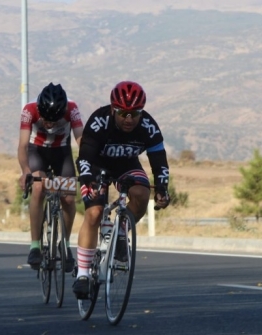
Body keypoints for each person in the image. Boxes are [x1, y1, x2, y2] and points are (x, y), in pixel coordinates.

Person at [72, 81, 170, 299]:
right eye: (123, 113)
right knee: (95, 212)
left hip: (127, 164)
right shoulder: (99, 121)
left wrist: (162, 188)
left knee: (142, 194)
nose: (129, 119)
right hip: (97, 166)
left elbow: (159, 161)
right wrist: (88, 181)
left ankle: (121, 232)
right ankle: (83, 274)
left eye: (135, 113)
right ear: (113, 109)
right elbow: (85, 157)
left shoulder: (148, 127)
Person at [18, 82, 83, 271]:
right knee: (38, 187)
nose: (49, 124)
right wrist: (25, 172)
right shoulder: (29, 110)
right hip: (36, 151)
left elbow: (82, 140)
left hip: (61, 152)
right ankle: (35, 245)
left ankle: (65, 243)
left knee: (69, 199)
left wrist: (89, 166)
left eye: (54, 120)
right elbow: (22, 145)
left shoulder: (72, 109)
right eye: (46, 119)